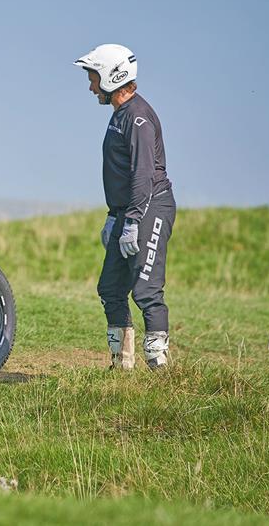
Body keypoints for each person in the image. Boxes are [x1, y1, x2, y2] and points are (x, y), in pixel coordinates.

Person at [74, 45, 177, 369]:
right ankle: (122, 364)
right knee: (110, 288)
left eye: (94, 79)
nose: (91, 87)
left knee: (145, 289)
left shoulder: (138, 117)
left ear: (110, 77)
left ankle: (159, 366)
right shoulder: (120, 115)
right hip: (126, 212)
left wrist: (131, 220)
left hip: (150, 208)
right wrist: (113, 217)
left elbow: (143, 174)